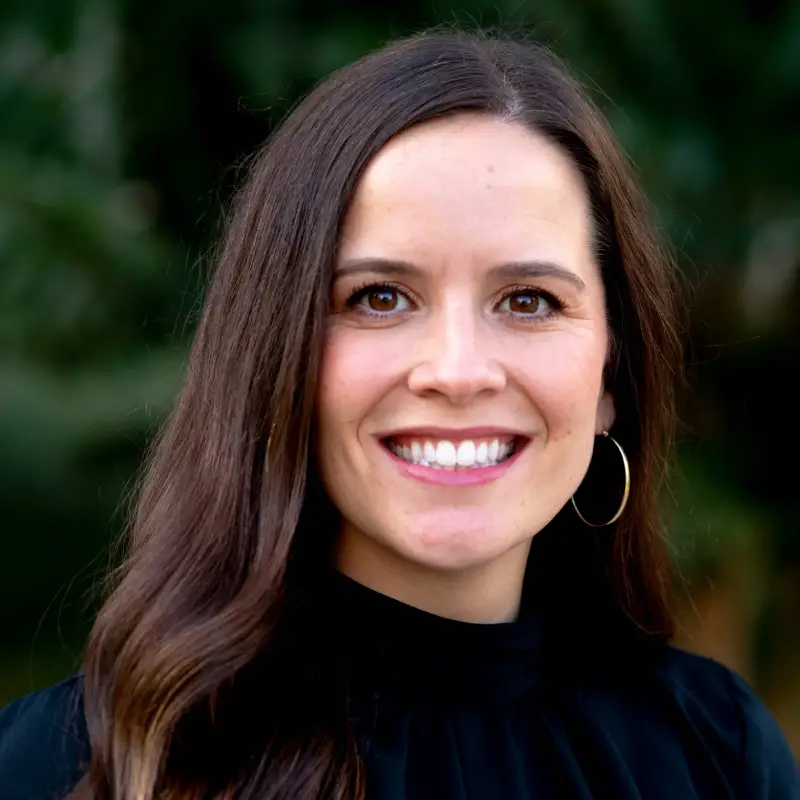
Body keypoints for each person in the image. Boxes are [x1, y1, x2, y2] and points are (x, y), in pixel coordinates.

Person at [0, 28, 798, 800]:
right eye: (379, 298)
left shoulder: (714, 751)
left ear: (608, 380)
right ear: (277, 357)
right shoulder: (72, 767)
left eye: (529, 300)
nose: (457, 371)